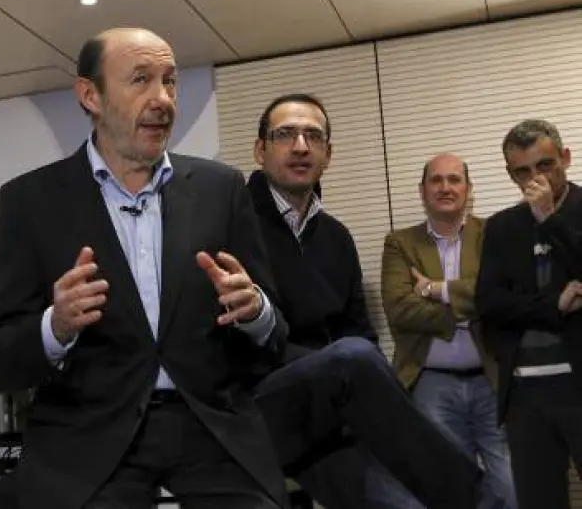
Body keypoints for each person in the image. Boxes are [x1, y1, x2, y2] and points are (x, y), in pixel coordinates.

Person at [0, 27, 290, 509]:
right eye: (141, 79)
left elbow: (276, 337)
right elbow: (1, 359)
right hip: (90, 438)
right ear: (91, 96)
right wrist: (56, 326)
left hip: (209, 430)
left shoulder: (221, 189)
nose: (162, 98)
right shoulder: (29, 202)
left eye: (170, 81)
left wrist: (256, 312)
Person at [247, 94, 480, 509]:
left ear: (328, 154)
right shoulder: (232, 221)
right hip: (262, 408)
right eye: (285, 134)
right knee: (352, 358)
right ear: (260, 150)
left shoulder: (336, 237)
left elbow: (359, 329)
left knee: (406, 504)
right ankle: (480, 501)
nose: (300, 146)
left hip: (331, 414)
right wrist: (335, 369)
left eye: (313, 136)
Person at [382, 153, 516, 508]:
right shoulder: (400, 243)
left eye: (454, 179)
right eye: (436, 180)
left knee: (511, 486)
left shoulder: (493, 235)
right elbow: (399, 309)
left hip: (492, 378)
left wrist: (433, 289)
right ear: (422, 190)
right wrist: (470, 310)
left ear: (468, 189)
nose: (445, 187)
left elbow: (500, 295)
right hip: (431, 383)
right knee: (451, 486)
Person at [476, 119, 582, 508]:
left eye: (545, 165)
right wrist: (553, 306)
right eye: (522, 171)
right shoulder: (502, 227)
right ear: (510, 174)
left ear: (565, 158)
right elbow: (490, 304)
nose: (535, 178)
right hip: (525, 392)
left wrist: (549, 220)